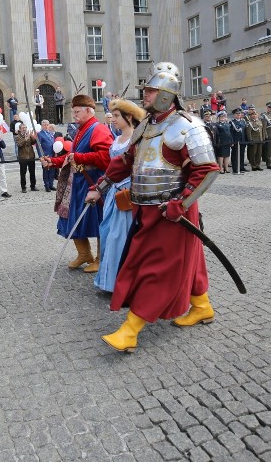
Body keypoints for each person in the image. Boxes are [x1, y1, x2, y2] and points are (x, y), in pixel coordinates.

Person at [85, 65, 220, 352]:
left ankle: (130, 330)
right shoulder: (146, 126)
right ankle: (202, 306)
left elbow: (207, 170)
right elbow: (125, 162)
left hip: (173, 212)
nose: (145, 95)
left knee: (158, 269)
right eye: (146, 90)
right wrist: (101, 186)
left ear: (166, 95)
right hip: (145, 208)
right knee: (186, 259)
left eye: (150, 90)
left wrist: (180, 204)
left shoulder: (188, 126)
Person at [40, 94, 112, 274]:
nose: (74, 115)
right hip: (77, 183)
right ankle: (84, 254)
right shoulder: (80, 130)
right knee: (72, 219)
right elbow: (72, 156)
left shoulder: (98, 129)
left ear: (89, 110)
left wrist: (79, 157)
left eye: (77, 111)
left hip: (94, 183)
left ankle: (101, 259)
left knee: (98, 221)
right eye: (73, 112)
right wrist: (53, 162)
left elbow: (106, 157)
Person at [94, 99, 145, 293]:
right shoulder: (116, 139)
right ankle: (109, 279)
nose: (113, 119)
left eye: (116, 116)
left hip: (126, 193)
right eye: (112, 116)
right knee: (107, 232)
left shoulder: (136, 140)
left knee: (120, 236)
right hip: (112, 192)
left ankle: (123, 283)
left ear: (129, 117)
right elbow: (111, 168)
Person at [16, 123, 38, 193]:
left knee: (32, 172)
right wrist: (25, 139)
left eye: (25, 127)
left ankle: (33, 186)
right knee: (23, 173)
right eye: (23, 128)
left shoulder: (28, 134)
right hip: (23, 157)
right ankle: (23, 187)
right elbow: (19, 145)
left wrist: (31, 136)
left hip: (31, 156)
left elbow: (34, 142)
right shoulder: (18, 137)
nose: (24, 129)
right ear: (20, 129)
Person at [37, 121, 56, 191]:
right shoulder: (40, 134)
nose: (46, 126)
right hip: (45, 155)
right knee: (46, 171)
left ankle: (51, 184)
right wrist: (41, 156)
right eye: (44, 125)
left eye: (47, 125)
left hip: (52, 155)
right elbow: (38, 146)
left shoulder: (50, 133)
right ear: (42, 126)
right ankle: (47, 185)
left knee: (52, 170)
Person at [229, 108, 247, 174]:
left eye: (239, 113)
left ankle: (241, 167)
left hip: (242, 140)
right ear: (234, 115)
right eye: (237, 113)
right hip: (235, 141)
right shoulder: (232, 122)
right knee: (235, 155)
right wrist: (231, 142)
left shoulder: (243, 121)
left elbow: (245, 131)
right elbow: (230, 133)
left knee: (242, 154)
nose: (239, 114)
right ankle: (235, 169)